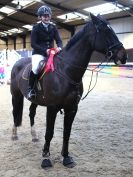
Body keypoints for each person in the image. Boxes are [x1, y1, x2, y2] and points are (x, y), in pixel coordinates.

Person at [27, 5, 63, 100]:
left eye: (48, 15)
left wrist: (59, 47)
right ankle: (30, 89)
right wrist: (45, 50)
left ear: (50, 16)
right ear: (40, 17)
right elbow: (33, 44)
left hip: (51, 53)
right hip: (38, 53)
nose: (46, 17)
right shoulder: (36, 28)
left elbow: (59, 40)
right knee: (36, 68)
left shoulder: (53, 27)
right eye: (44, 16)